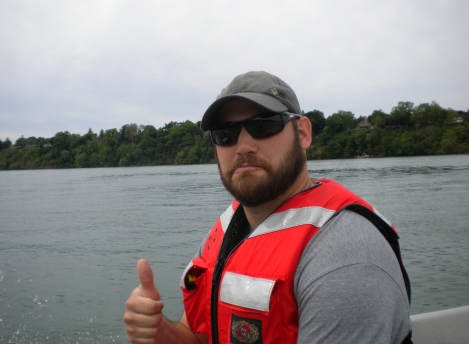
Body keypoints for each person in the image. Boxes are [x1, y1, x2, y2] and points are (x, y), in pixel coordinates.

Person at [124, 71, 412, 344]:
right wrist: (161, 333)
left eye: (262, 126)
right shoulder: (227, 231)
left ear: (302, 134)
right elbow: (200, 336)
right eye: (226, 134)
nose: (243, 146)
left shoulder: (346, 257)